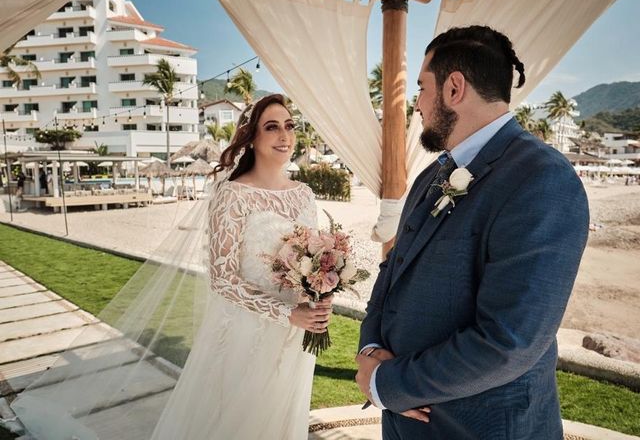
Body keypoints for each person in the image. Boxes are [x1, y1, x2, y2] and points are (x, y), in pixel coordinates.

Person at [356, 26, 589, 440]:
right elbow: (392, 271)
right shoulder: (431, 175)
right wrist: (371, 349)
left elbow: (509, 341)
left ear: (454, 88)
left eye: (422, 88)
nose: (418, 105)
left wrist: (387, 384)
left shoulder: (543, 179)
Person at [150, 94, 332, 439]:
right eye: (272, 127)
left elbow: (316, 261)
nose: (285, 135)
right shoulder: (233, 195)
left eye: (289, 126)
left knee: (282, 418)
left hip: (296, 333)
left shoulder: (305, 193)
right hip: (246, 331)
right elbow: (222, 279)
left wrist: (323, 298)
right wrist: (285, 314)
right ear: (252, 137)